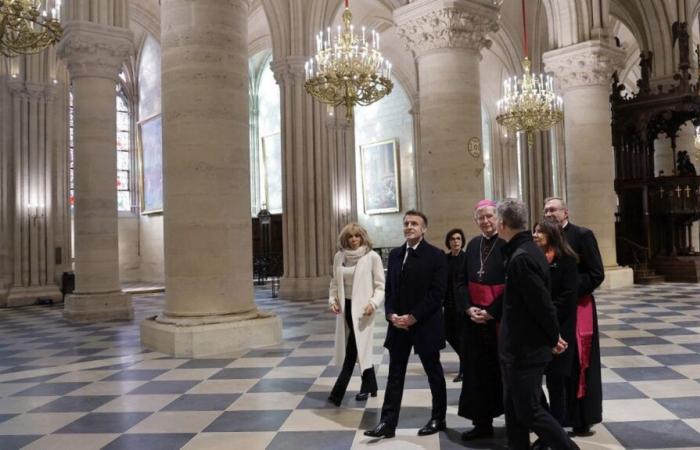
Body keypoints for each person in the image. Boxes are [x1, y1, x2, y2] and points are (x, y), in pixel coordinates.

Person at [492, 199, 579, 450]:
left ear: (503, 223)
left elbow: (542, 305)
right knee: (514, 410)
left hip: (525, 349)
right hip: (516, 348)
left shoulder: (522, 257)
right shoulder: (527, 251)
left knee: (529, 411)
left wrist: (554, 337)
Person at [364, 210, 448, 439]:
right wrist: (391, 314)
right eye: (406, 223)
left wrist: (413, 316)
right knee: (395, 374)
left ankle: (438, 418)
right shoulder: (395, 255)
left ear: (424, 229)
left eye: (414, 223)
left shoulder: (436, 255)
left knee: (434, 373)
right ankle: (387, 423)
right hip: (398, 325)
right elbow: (389, 290)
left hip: (424, 323)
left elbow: (437, 294)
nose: (409, 227)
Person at [544, 197, 604, 435]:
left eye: (553, 210)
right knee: (557, 363)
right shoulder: (545, 238)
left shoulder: (582, 235)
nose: (549, 214)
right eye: (546, 210)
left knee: (580, 362)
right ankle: (559, 415)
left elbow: (596, 273)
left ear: (565, 212)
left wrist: (568, 290)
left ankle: (581, 417)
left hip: (579, 308)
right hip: (553, 307)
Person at [455, 200, 506, 441]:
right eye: (481, 218)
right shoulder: (473, 245)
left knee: (505, 374)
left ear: (498, 218)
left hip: (500, 321)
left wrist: (492, 310)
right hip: (474, 322)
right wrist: (468, 308)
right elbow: (461, 281)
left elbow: (514, 285)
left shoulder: (507, 244)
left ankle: (521, 422)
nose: (485, 221)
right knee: (477, 374)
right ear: (476, 221)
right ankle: (481, 423)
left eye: (489, 217)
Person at [328, 223, 385, 406]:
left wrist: (373, 303)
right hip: (346, 307)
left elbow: (380, 286)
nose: (354, 240)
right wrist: (332, 300)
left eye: (357, 236)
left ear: (363, 237)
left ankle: (337, 393)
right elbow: (334, 283)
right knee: (359, 347)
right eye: (351, 236)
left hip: (363, 310)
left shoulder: (372, 257)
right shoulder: (340, 256)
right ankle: (371, 386)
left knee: (352, 350)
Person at [533, 219, 579, 427]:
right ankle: (545, 423)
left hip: (561, 326)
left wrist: (547, 313)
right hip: (538, 327)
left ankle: (556, 428)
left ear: (551, 234)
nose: (535, 235)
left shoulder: (567, 259)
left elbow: (569, 296)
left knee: (556, 381)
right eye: (534, 231)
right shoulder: (532, 258)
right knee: (533, 381)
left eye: (540, 232)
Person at [444, 228, 466, 383]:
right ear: (448, 242)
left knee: (462, 337)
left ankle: (464, 369)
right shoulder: (445, 259)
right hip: (448, 304)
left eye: (458, 238)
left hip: (462, 305)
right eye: (452, 239)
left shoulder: (466, 258)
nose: (455, 241)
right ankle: (466, 359)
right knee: (449, 334)